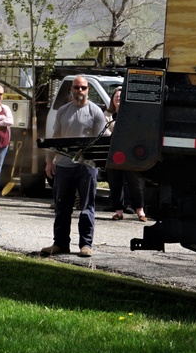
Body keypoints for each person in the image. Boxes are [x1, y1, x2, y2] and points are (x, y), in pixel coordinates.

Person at [41, 75, 106, 257]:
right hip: (63, 165)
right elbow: (56, 136)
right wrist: (49, 161)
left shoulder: (95, 112)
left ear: (88, 90)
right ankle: (60, 244)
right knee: (62, 207)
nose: (80, 91)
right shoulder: (63, 111)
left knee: (86, 207)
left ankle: (86, 245)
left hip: (87, 166)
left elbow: (101, 140)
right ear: (71, 89)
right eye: (76, 87)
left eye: (83, 88)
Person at [104, 86, 147, 222]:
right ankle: (118, 211)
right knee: (115, 183)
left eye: (121, 97)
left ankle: (140, 211)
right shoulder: (107, 115)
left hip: (129, 153)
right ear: (112, 100)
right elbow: (106, 133)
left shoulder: (131, 114)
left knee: (134, 183)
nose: (118, 99)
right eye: (116, 97)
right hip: (113, 154)